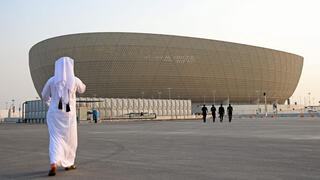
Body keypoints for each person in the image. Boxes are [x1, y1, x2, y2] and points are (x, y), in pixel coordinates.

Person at [42, 57, 86, 176]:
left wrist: (50, 103)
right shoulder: (75, 80)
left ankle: (53, 164)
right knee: (70, 139)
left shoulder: (52, 81)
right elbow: (83, 89)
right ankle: (69, 163)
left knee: (55, 138)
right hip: (69, 115)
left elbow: (44, 95)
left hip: (54, 114)